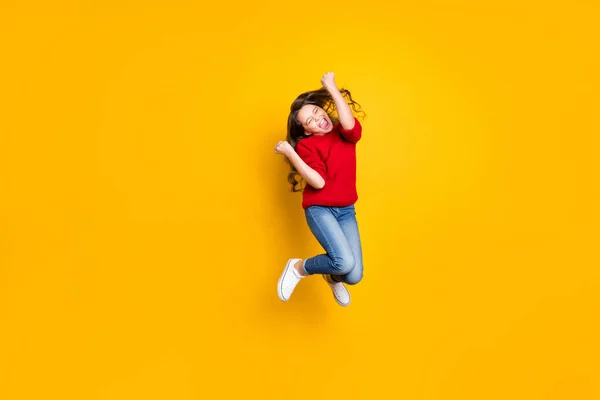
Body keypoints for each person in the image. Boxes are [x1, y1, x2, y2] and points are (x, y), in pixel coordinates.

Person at [274, 72, 365, 307]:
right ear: (306, 131)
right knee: (344, 262)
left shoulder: (345, 134)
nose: (318, 119)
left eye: (317, 112)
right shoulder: (307, 145)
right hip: (320, 209)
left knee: (353, 275)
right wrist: (291, 153)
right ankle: (298, 267)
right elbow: (319, 183)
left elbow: (349, 124)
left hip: (346, 210)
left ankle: (332, 278)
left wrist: (332, 88)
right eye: (310, 121)